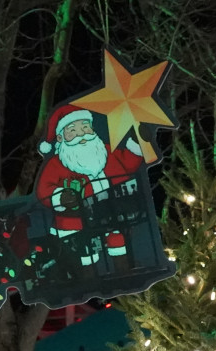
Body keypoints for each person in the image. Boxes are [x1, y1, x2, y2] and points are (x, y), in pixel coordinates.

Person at [33, 109, 145, 267]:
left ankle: (124, 268)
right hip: (76, 222)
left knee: (118, 239)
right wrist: (61, 197)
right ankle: (89, 274)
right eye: (73, 131)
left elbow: (128, 162)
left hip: (111, 214)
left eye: (85, 127)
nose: (82, 135)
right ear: (60, 137)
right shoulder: (56, 164)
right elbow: (43, 189)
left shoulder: (105, 151)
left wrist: (136, 140)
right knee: (85, 252)